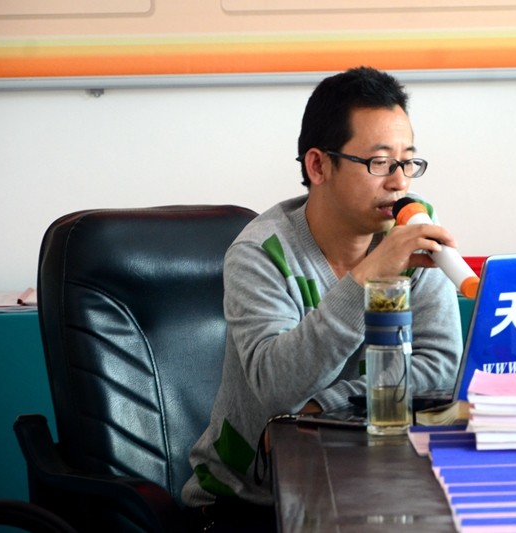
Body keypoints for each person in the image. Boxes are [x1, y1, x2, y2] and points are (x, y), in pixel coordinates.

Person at [181, 66, 463, 531]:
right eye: (379, 163)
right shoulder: (261, 253)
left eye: (408, 162)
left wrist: (326, 406)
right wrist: (368, 276)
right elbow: (279, 387)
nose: (399, 183)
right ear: (318, 166)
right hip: (249, 508)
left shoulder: (411, 235)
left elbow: (441, 369)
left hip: (375, 490)